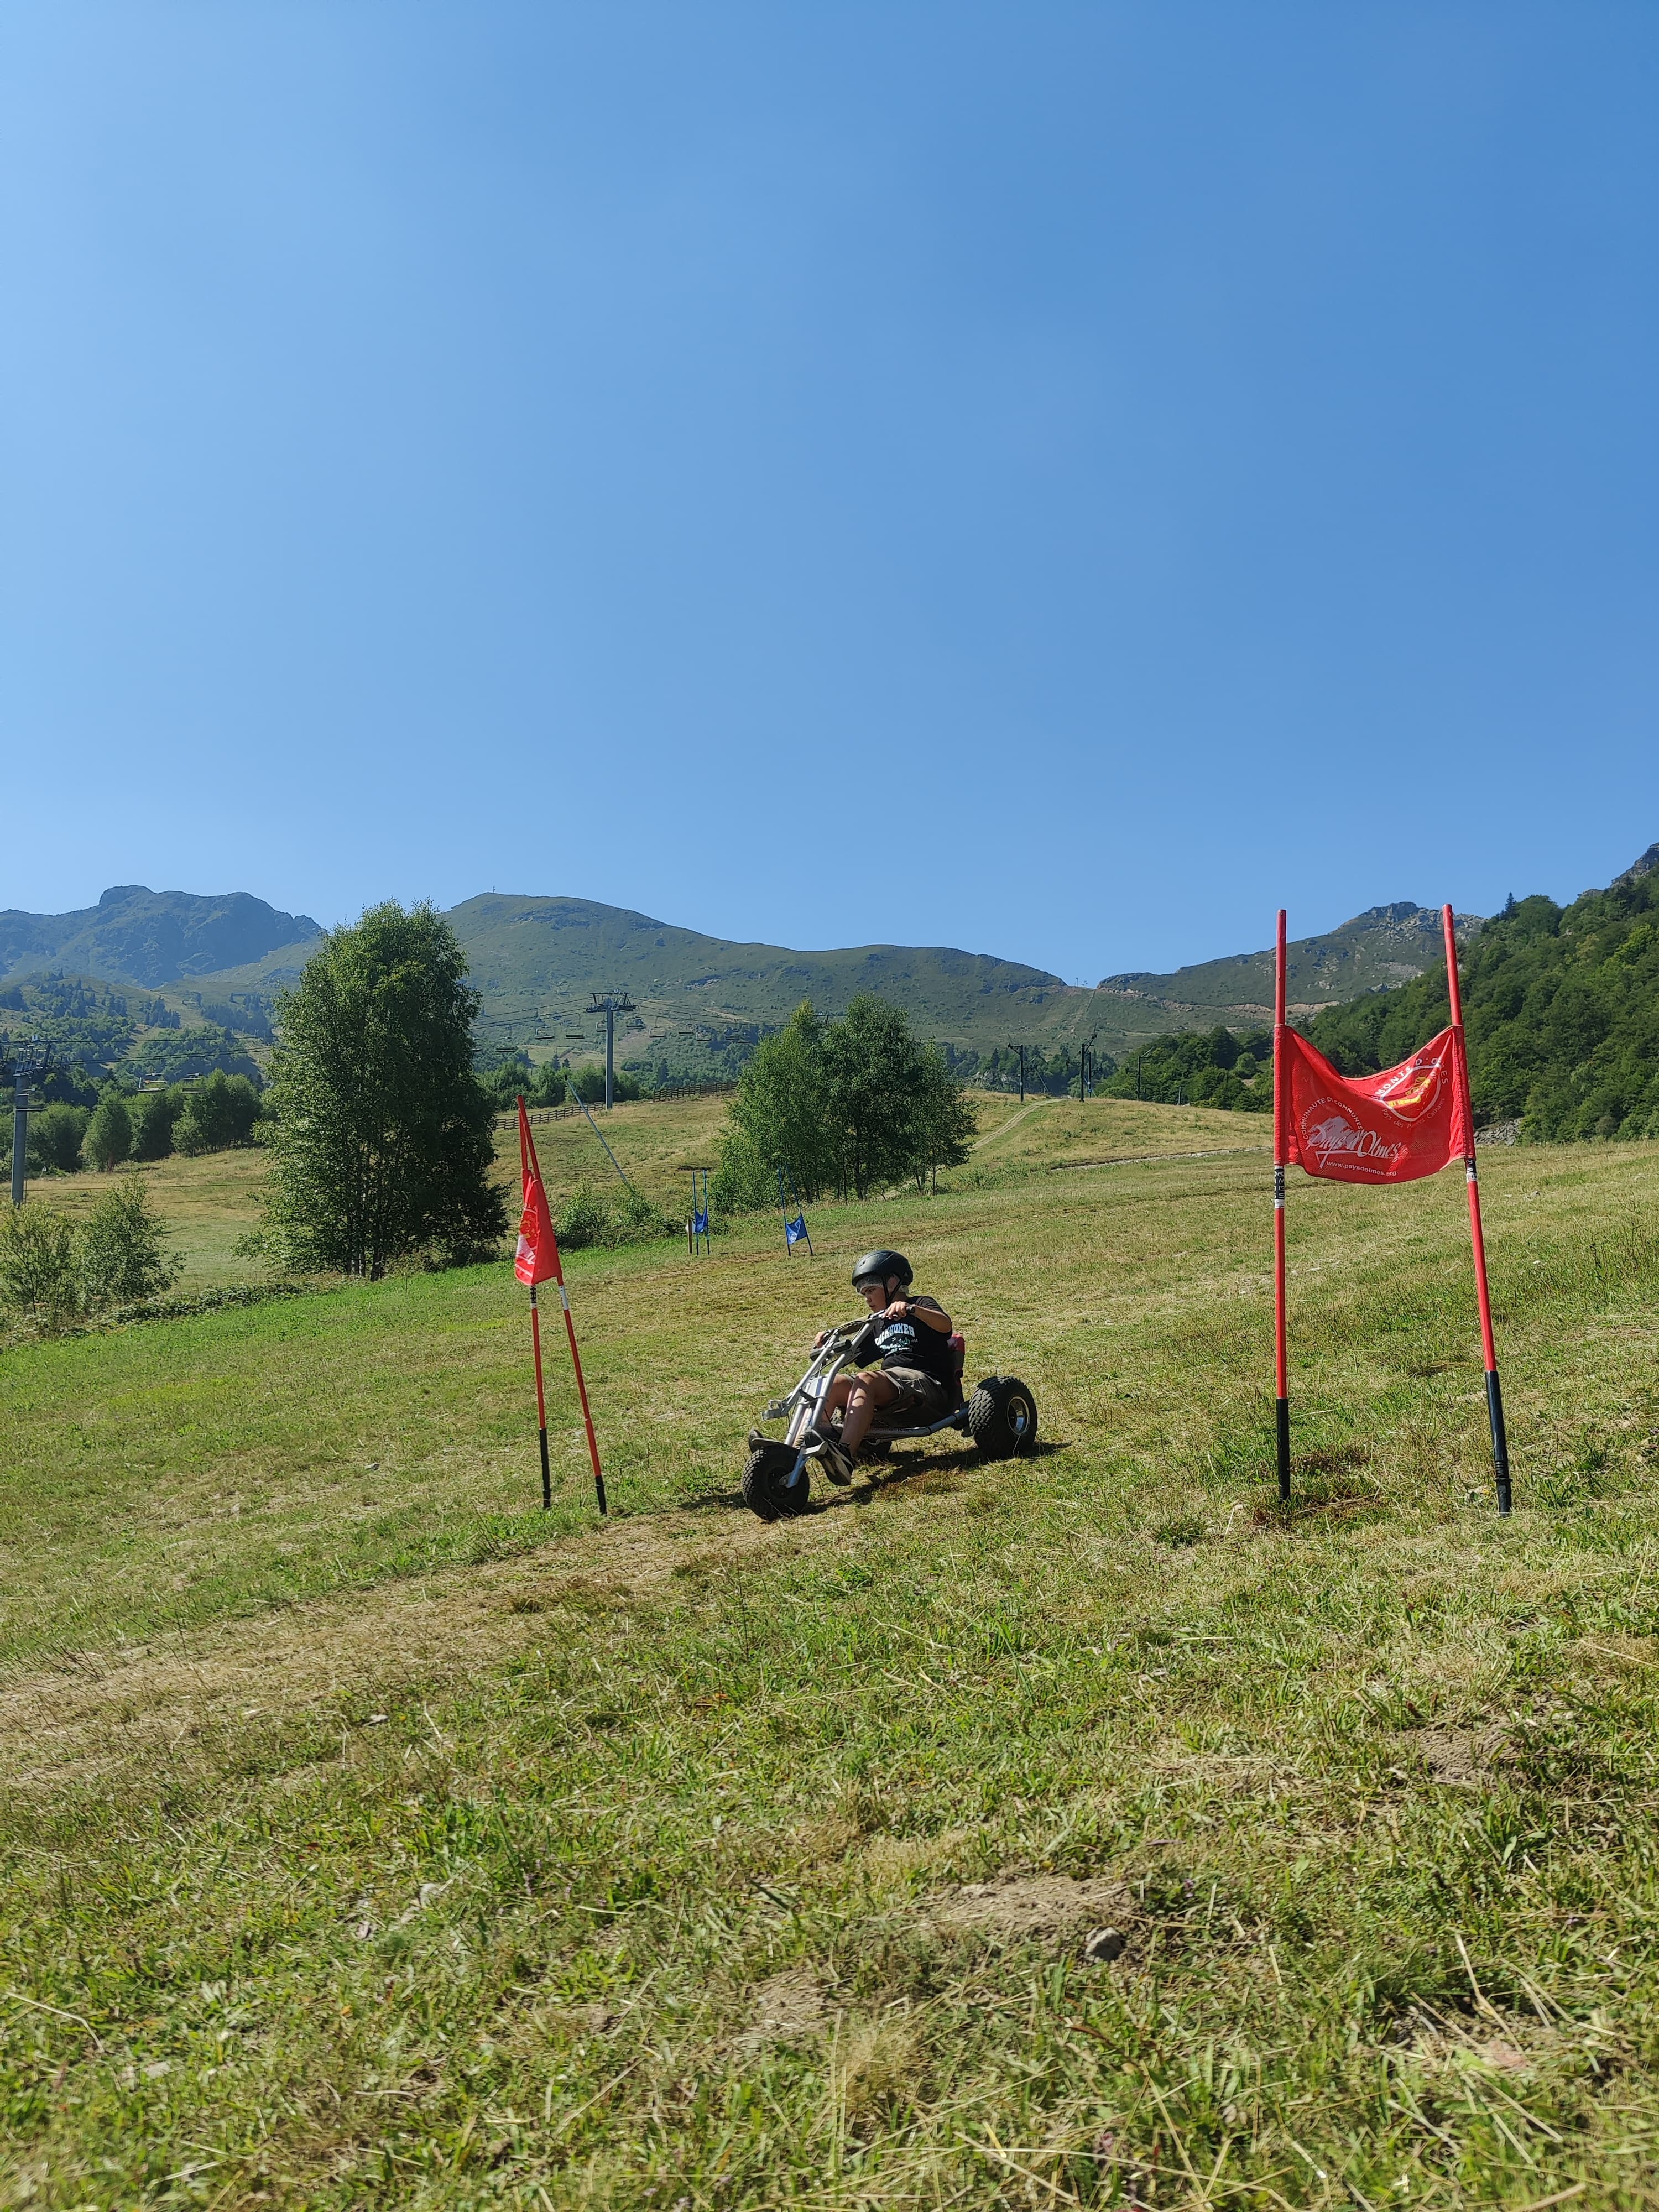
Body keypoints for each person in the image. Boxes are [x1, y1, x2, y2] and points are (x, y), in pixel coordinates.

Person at [806, 1249, 956, 1485]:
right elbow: (851, 1355)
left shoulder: (920, 1304)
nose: (867, 1298)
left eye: (870, 1290)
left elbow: (945, 1326)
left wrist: (912, 1310)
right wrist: (830, 1343)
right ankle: (808, 1444)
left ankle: (845, 1455)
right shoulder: (877, 1322)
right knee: (832, 1383)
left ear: (893, 1283)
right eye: (863, 1293)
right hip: (892, 1386)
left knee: (866, 1379)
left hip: (927, 1386)